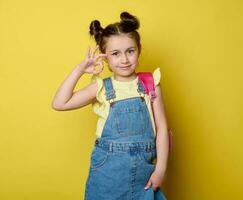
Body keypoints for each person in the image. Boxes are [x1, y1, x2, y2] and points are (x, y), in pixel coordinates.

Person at [52, 11, 169, 199]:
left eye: (130, 51)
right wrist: (80, 69)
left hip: (144, 174)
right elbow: (59, 103)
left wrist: (161, 169)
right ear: (105, 56)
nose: (124, 59)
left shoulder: (150, 83)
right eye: (115, 54)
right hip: (108, 174)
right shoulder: (101, 87)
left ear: (139, 49)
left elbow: (162, 129)